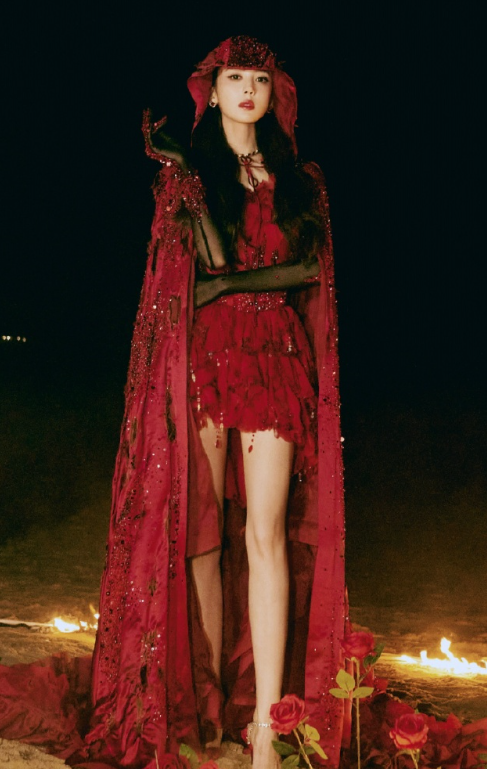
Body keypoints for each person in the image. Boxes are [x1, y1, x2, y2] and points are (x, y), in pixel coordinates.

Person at [85, 34, 348, 769]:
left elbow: (302, 270)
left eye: (258, 78)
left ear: (274, 91)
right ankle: (203, 709)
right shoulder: (188, 178)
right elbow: (208, 259)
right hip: (202, 359)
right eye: (235, 77)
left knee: (264, 536)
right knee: (198, 535)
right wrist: (182, 171)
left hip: (272, 360)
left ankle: (265, 725)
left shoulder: (301, 178)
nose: (247, 90)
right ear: (213, 89)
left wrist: (229, 287)